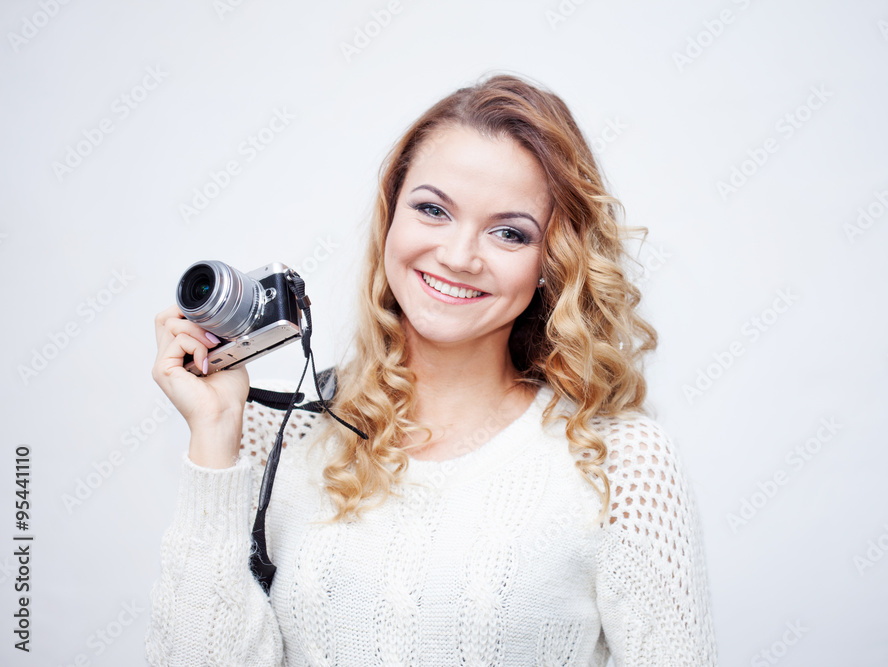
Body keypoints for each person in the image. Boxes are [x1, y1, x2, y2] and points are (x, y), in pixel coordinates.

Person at [146, 72, 718, 666]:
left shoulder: (621, 463)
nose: (458, 256)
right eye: (432, 210)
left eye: (508, 232)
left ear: (553, 260)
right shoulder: (280, 436)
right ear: (392, 216)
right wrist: (214, 435)